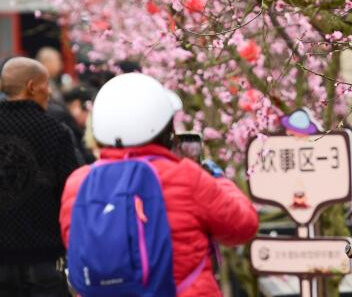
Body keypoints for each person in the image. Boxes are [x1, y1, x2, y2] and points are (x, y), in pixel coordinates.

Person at [59, 73, 259, 296]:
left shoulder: (78, 183)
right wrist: (219, 178)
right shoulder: (186, 176)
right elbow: (243, 226)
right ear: (164, 128)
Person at [0, 57, 81, 296]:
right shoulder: (55, 132)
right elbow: (71, 193)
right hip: (44, 257)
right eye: (46, 84)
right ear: (32, 86)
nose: (49, 92)